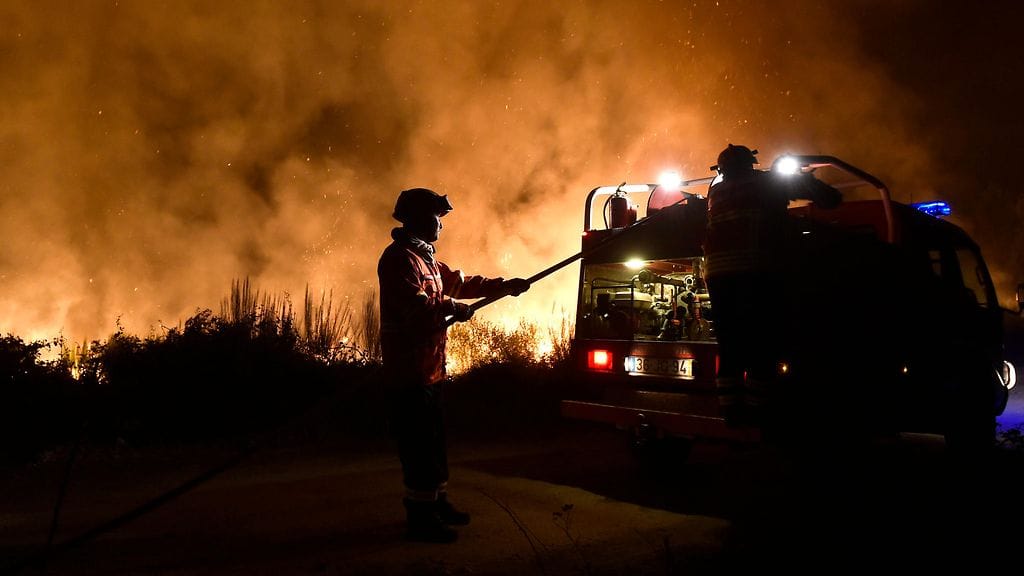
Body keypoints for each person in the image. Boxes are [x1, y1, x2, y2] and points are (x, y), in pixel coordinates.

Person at [377, 187, 530, 543]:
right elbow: (415, 308)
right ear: (418, 218)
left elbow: (460, 284)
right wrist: (452, 308)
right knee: (419, 449)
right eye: (436, 217)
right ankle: (421, 518)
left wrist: (503, 286)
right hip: (408, 373)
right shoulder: (399, 259)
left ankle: (438, 502)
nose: (441, 225)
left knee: (434, 443)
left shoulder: (426, 259)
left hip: (429, 370)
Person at [703, 145, 840, 428]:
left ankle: (731, 412)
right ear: (750, 165)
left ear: (722, 171)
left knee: (730, 344)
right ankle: (758, 412)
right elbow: (828, 198)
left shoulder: (716, 192)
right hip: (755, 272)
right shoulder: (766, 183)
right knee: (762, 342)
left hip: (718, 276)